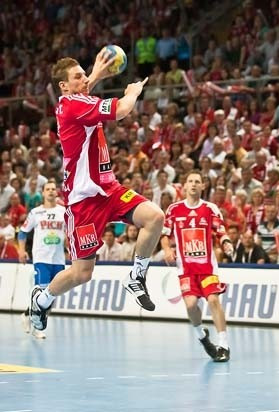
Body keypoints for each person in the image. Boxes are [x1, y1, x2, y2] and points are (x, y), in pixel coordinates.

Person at [29, 51, 165, 332]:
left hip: (108, 190)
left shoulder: (72, 100)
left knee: (154, 217)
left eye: (84, 75)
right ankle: (41, 300)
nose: (85, 79)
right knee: (82, 274)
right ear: (64, 86)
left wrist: (98, 73)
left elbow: (83, 89)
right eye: (78, 76)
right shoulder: (74, 106)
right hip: (83, 202)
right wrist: (133, 92)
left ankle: (136, 277)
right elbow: (122, 110)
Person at [161, 171, 233, 362]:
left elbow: (221, 231)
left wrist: (226, 243)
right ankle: (202, 336)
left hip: (207, 268)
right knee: (191, 305)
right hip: (185, 269)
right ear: (185, 185)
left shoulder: (210, 209)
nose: (193, 184)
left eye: (197, 182)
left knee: (213, 300)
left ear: (203, 186)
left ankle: (224, 345)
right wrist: (167, 250)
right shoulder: (174, 210)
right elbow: (164, 234)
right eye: (190, 181)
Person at [19, 181, 65, 339]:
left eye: (53, 189)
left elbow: (71, 232)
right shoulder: (35, 212)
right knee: (42, 292)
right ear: (43, 193)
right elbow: (23, 232)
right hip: (41, 258)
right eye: (48, 189)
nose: (51, 191)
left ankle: (27, 315)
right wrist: (21, 251)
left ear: (57, 192)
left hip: (58, 259)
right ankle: (36, 328)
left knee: (51, 296)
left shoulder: (63, 212)